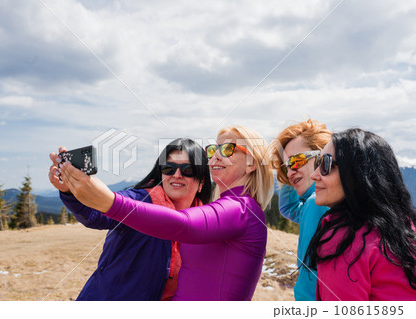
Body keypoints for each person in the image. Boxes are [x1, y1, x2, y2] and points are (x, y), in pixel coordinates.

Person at [57, 126, 274, 300]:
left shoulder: (241, 209)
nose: (216, 156)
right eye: (213, 149)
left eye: (227, 149)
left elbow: (183, 226)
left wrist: (110, 201)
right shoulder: (147, 199)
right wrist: (70, 191)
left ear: (251, 163)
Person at [48, 138, 212, 300]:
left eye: (187, 170)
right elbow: (95, 215)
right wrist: (71, 192)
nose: (177, 175)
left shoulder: (208, 224)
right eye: (169, 168)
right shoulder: (140, 200)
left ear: (201, 182)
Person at [305, 128, 416, 300]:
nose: (314, 175)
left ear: (357, 175)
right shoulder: (407, 227)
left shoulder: (344, 240)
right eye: (316, 163)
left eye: (326, 164)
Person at [271, 119, 332, 300]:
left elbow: (309, 278)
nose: (289, 173)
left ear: (324, 156)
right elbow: (289, 208)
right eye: (286, 167)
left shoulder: (316, 204)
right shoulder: (328, 201)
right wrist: (292, 172)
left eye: (298, 161)